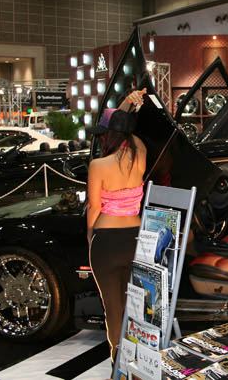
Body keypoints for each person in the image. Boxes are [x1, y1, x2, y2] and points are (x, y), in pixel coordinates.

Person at [87, 89, 147, 365]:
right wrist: (128, 108)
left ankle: (118, 361)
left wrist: (90, 235)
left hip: (107, 242)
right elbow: (127, 130)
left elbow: (94, 207)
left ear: (108, 135)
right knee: (136, 304)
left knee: (113, 307)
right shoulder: (141, 154)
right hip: (136, 239)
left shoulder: (98, 165)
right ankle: (139, 361)